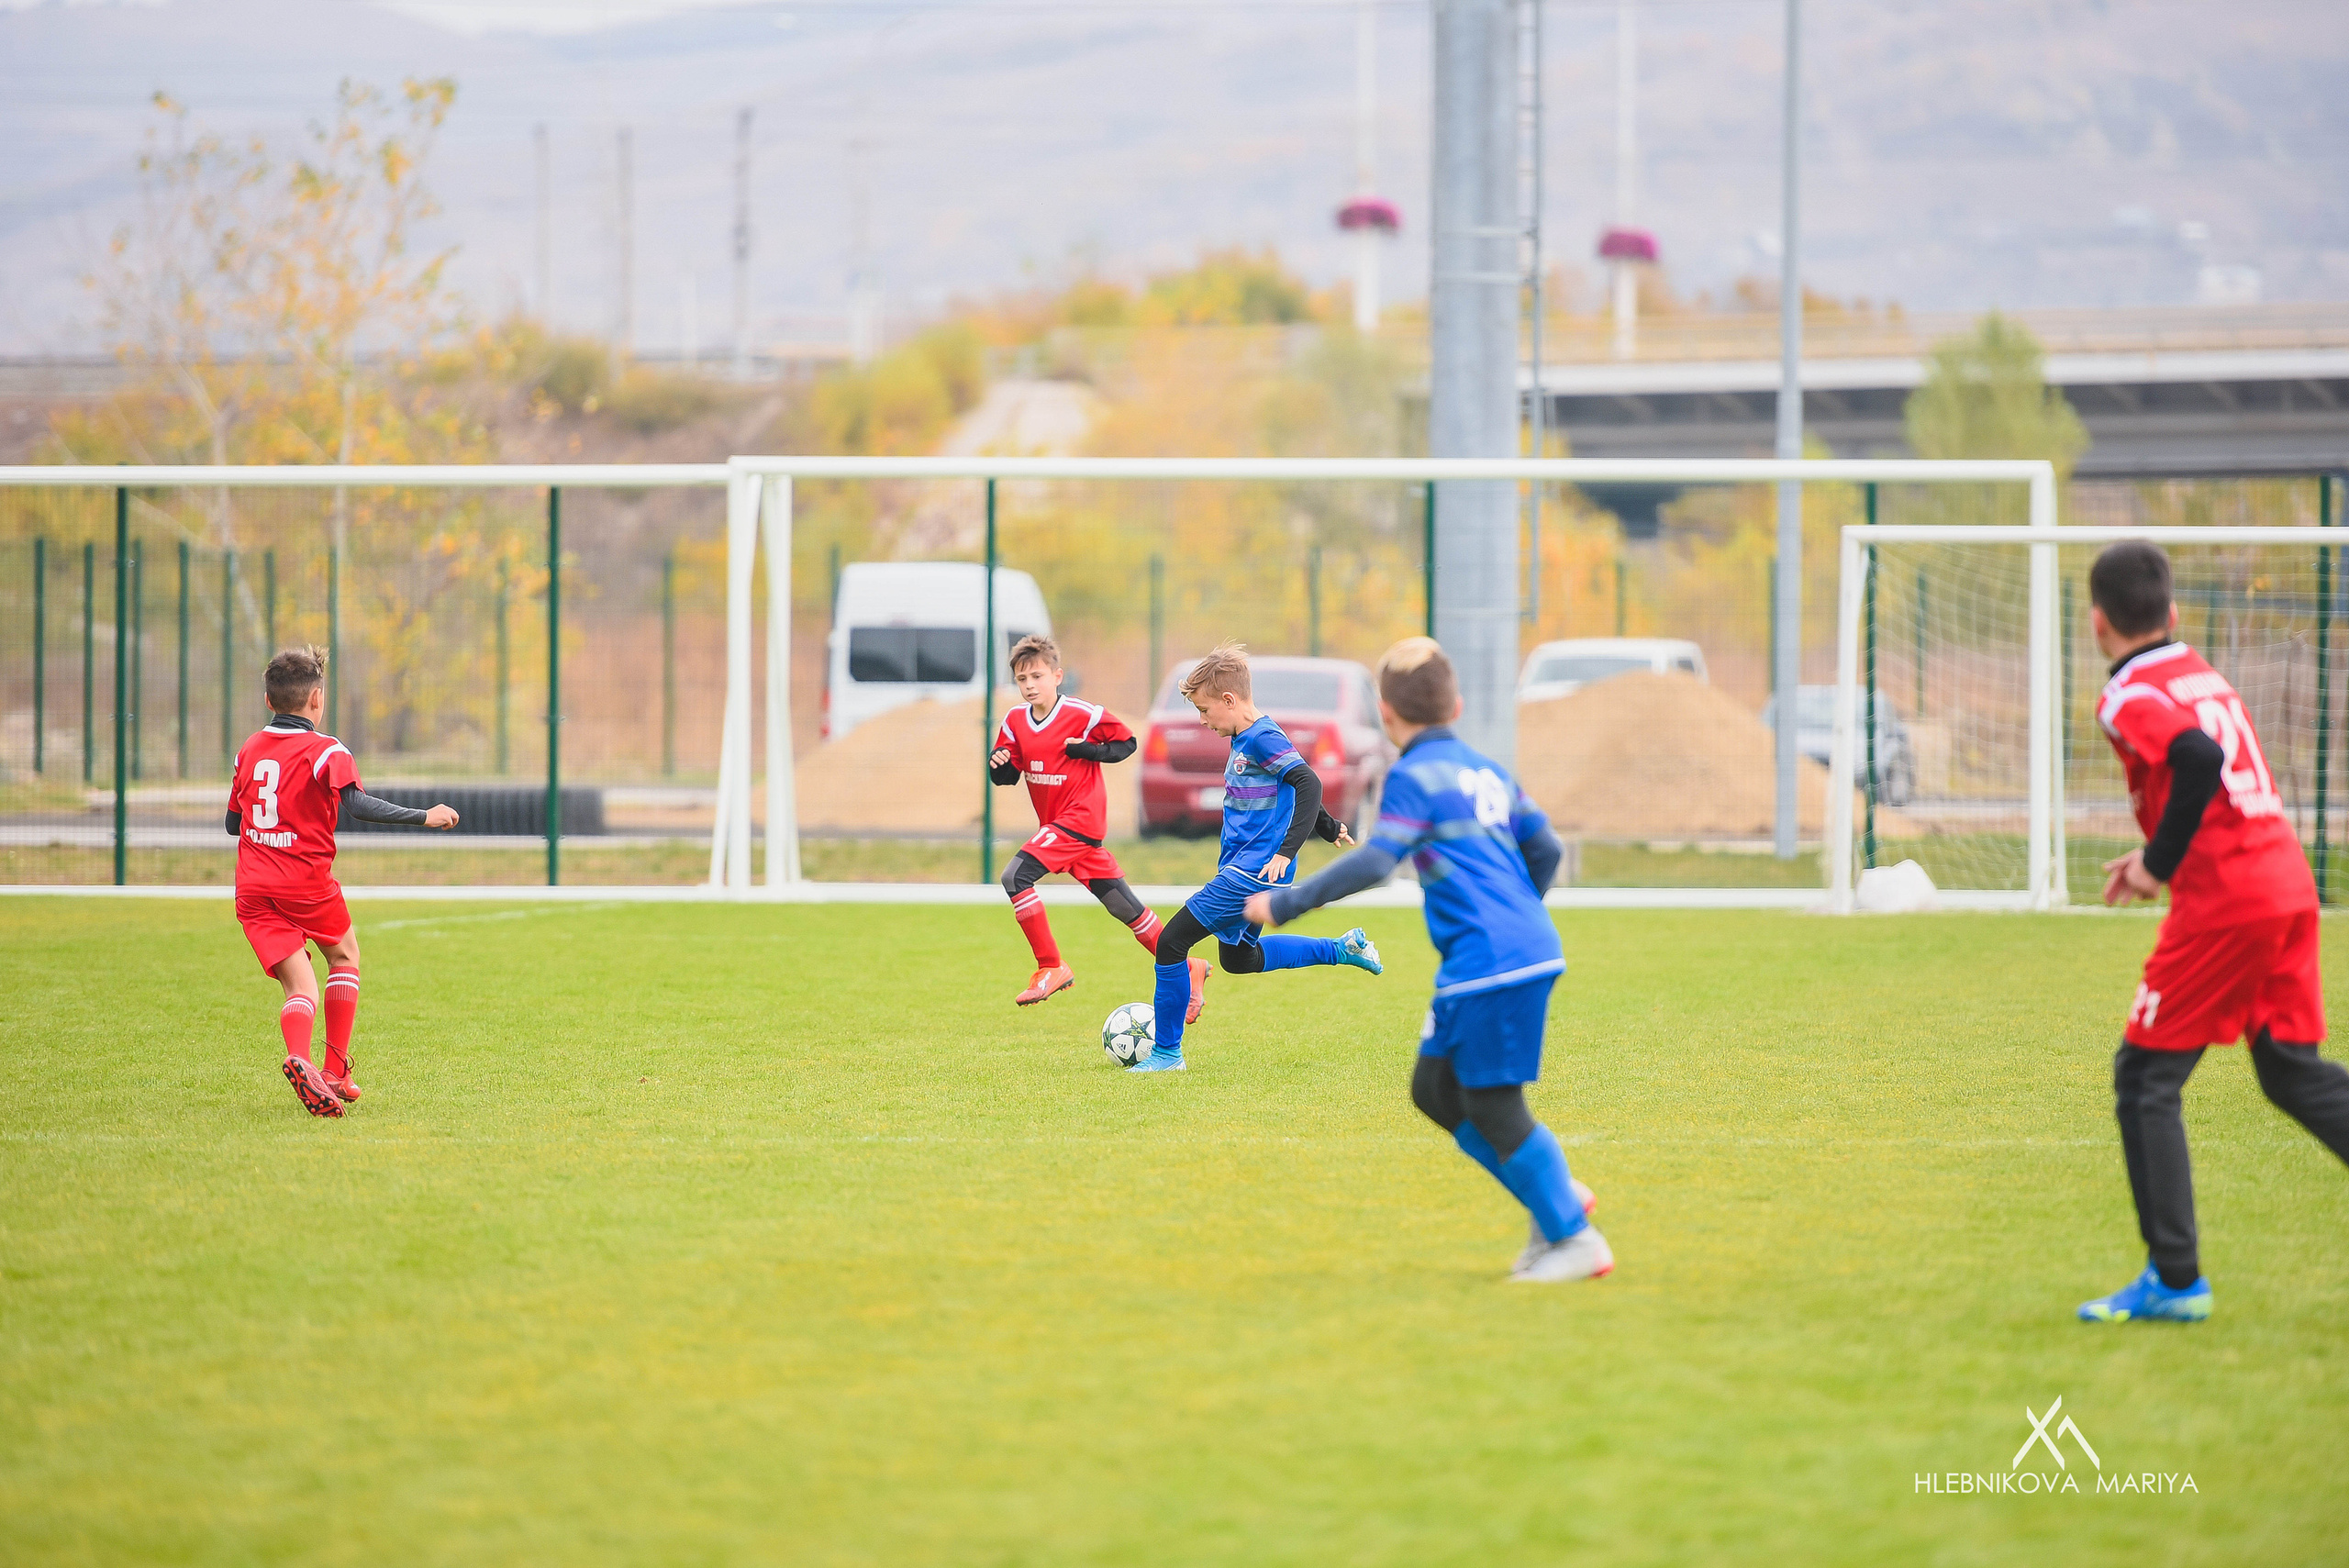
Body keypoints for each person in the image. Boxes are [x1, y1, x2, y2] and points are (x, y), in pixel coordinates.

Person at [1244, 637, 1607, 1283]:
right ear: (1457, 705)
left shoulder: (1412, 775)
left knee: (1494, 1105)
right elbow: (1545, 847)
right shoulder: (1487, 769)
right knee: (1435, 1091)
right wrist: (1519, 910)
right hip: (1508, 951)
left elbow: (1381, 859)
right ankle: (1553, 1197)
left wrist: (1287, 903)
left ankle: (1573, 1235)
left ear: (1386, 715)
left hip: (1491, 961)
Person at [2080, 540, 2349, 1322]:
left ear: (2098, 622)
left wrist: (2159, 864)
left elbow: (2195, 759)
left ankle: (2175, 1279)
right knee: (2290, 1072)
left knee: (2145, 1079)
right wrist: (2158, 853)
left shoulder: (2127, 693)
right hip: (2285, 882)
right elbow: (2209, 763)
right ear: (2172, 612)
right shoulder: (2198, 669)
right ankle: (2173, 1275)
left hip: (2229, 900)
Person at [1130, 642, 1381, 1074]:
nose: (1202, 720)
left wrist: (1286, 851)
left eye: (1206, 711)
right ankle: (1343, 949)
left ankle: (1167, 1054)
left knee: (1172, 944)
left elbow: (1308, 781)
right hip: (1247, 868)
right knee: (1239, 960)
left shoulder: (1262, 737)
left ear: (1230, 700)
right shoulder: (1249, 736)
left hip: (1253, 872)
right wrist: (1325, 824)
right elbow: (1294, 784)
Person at [228, 647, 458, 1118]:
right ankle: (333, 1070)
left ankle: (301, 1058)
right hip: (305, 883)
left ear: (269, 701)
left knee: (300, 990)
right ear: (317, 699)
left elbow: (234, 824)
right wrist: (424, 816)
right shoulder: (327, 750)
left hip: (252, 887)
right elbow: (359, 805)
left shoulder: (249, 750)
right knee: (345, 954)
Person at [988, 634, 1205, 1012]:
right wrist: (1001, 767)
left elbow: (1126, 744)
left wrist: (1088, 751)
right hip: (1060, 829)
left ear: (1057, 676)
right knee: (1127, 910)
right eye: (1022, 680)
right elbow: (1007, 775)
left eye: (1037, 676)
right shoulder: (1014, 721)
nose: (1029, 686)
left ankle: (1050, 966)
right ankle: (1189, 967)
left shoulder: (1083, 714)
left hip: (1079, 821)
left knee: (1014, 877)